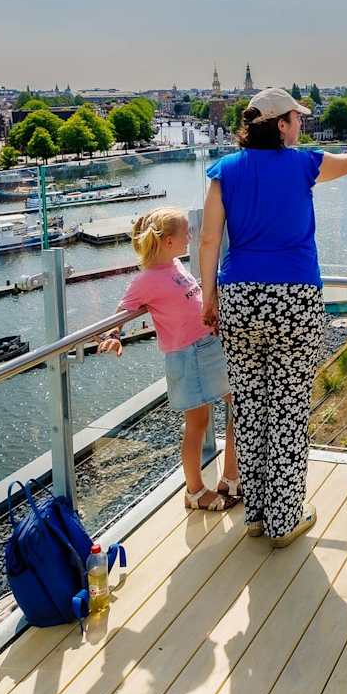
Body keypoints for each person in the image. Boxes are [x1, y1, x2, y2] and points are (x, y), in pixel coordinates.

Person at [200, 88, 347, 546]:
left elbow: (210, 242)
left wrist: (208, 298)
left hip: (238, 296)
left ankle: (255, 513)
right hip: (292, 298)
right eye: (297, 118)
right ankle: (284, 519)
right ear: (280, 124)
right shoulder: (302, 164)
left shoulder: (223, 171)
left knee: (251, 410)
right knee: (289, 411)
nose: (302, 125)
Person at [98, 209, 240, 511]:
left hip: (208, 347)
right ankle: (195, 491)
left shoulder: (175, 263)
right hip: (187, 357)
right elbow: (122, 312)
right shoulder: (146, 280)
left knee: (240, 404)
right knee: (197, 423)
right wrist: (112, 335)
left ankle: (231, 476)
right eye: (185, 233)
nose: (190, 237)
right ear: (166, 241)